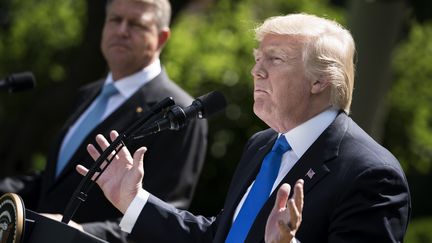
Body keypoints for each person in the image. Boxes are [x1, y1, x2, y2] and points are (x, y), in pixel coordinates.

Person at [78, 13, 411, 242]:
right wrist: (133, 200)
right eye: (257, 58)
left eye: (275, 59)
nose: (257, 71)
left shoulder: (372, 174)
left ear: (320, 81)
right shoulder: (263, 144)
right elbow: (220, 236)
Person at [0, 0, 207, 242]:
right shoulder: (87, 94)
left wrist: (79, 233)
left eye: (137, 24)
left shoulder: (179, 114)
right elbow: (55, 181)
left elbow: (163, 220)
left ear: (161, 37)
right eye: (115, 20)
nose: (122, 30)